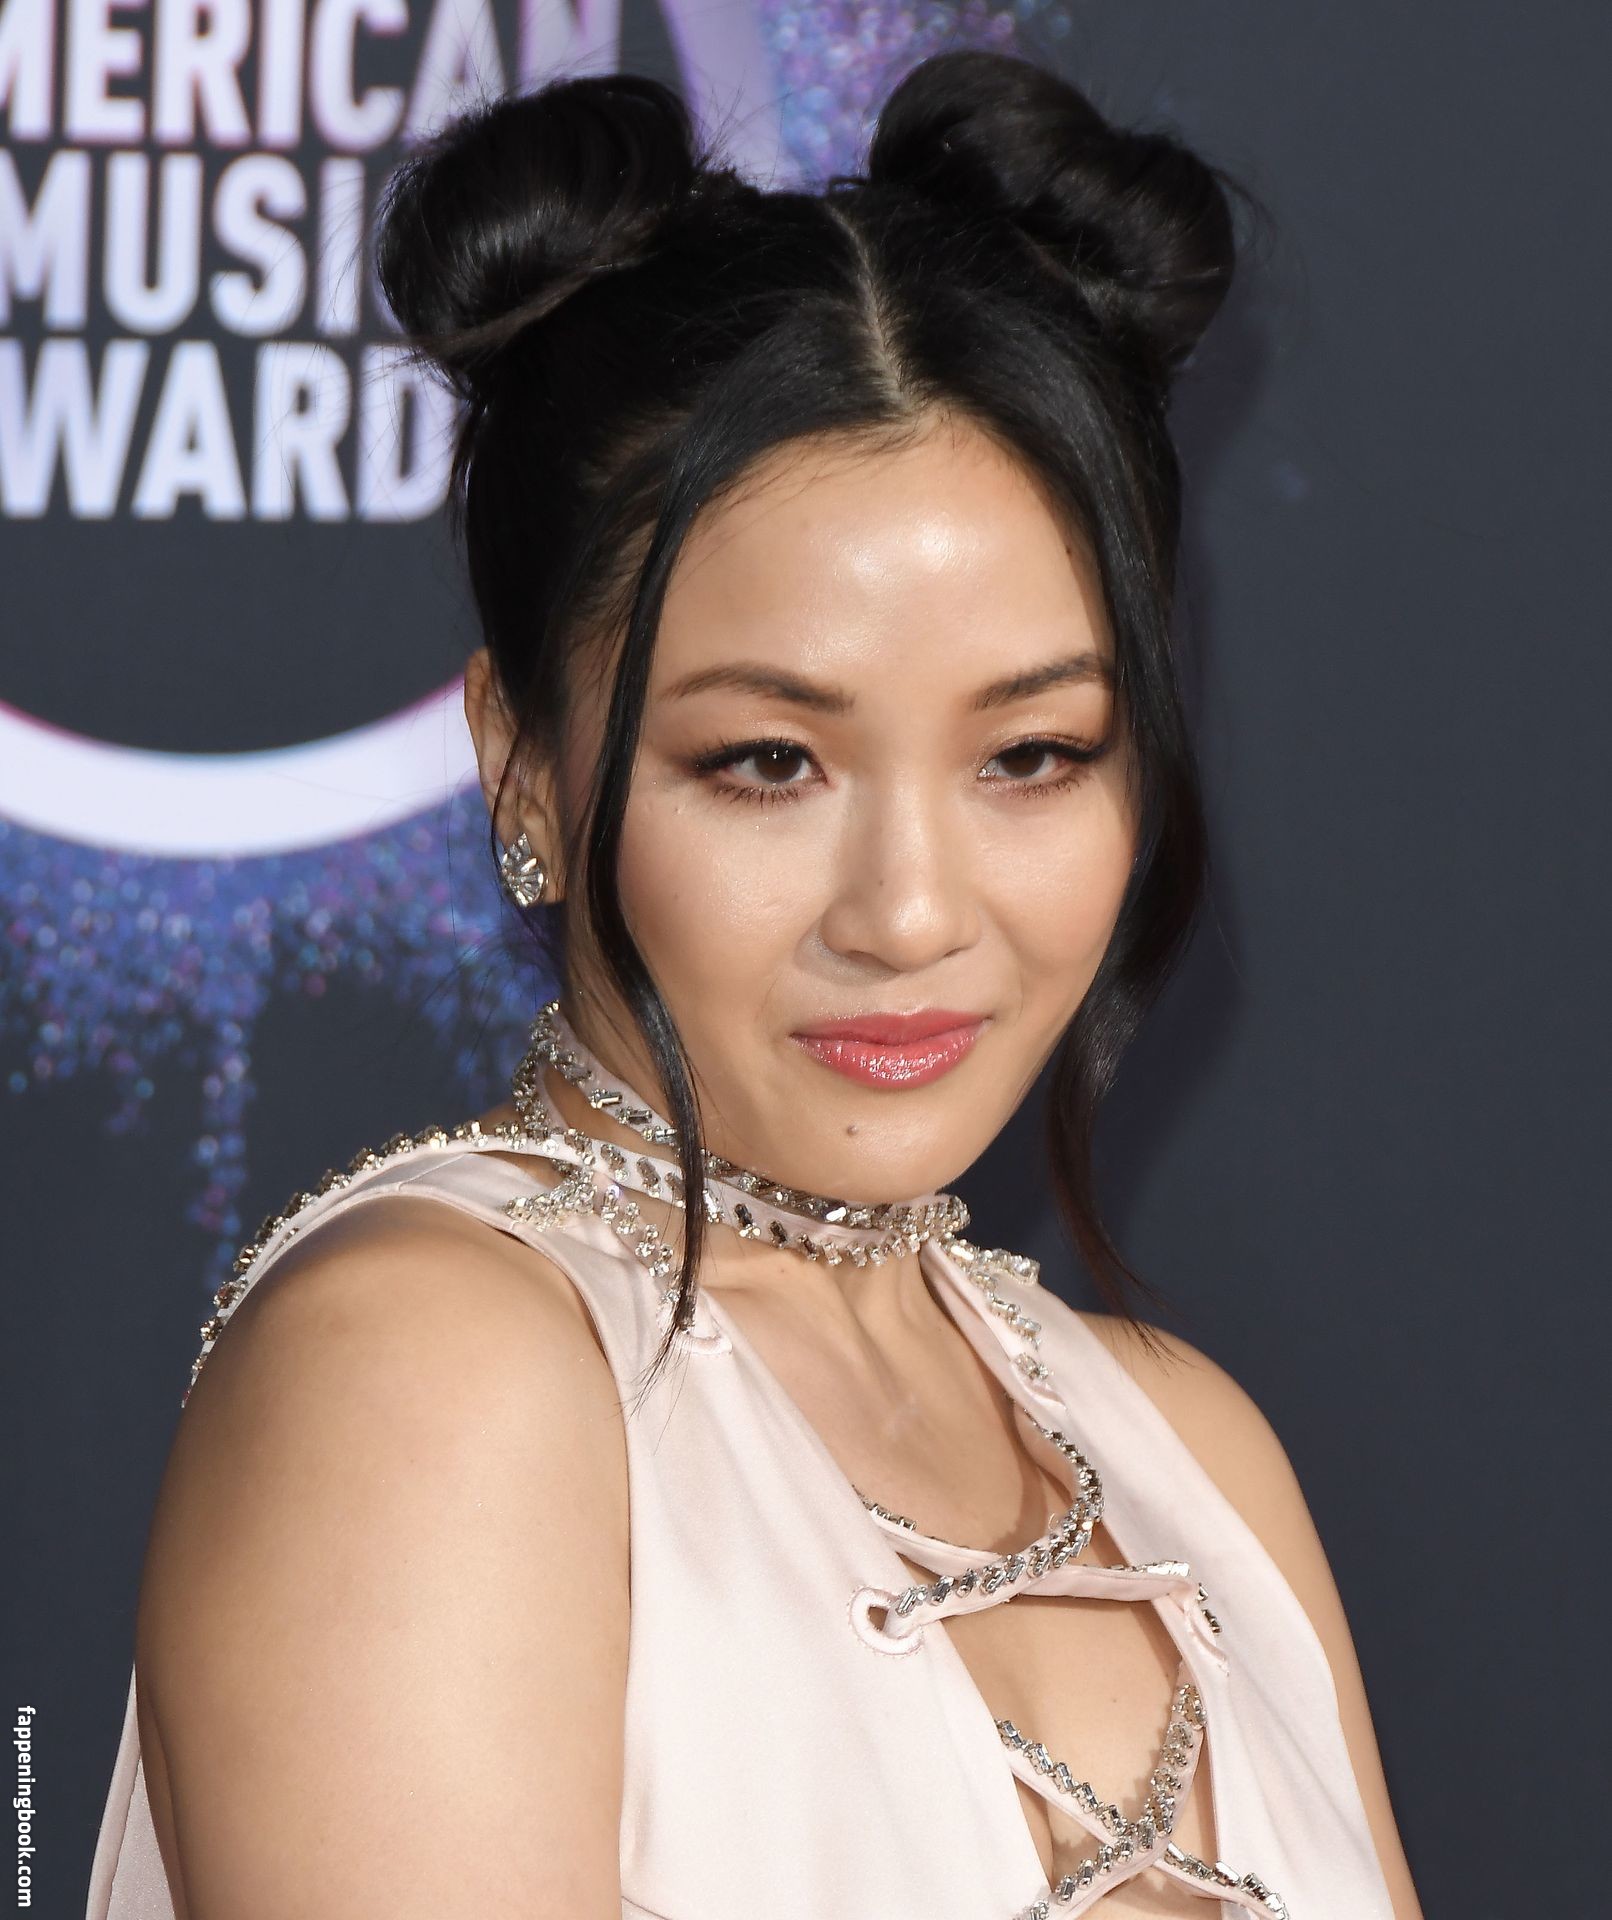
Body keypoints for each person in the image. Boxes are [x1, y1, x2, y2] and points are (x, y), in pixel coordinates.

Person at [84, 48, 1424, 1920]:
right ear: (525, 767)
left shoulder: (1192, 1450)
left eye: (1032, 754)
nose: (909, 912)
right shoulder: (433, 1374)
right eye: (769, 763)